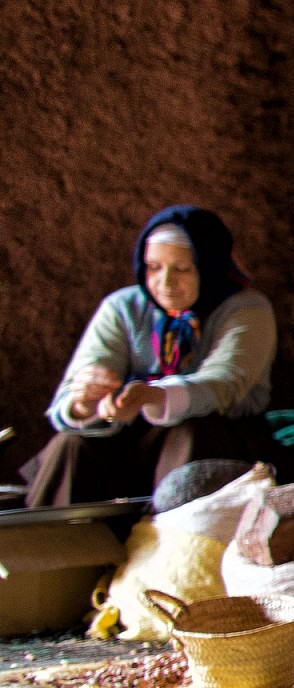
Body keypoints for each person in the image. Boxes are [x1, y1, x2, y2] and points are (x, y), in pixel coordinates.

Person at [22, 206, 280, 506]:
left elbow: (224, 384)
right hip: (129, 444)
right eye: (154, 267)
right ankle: (55, 535)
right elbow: (74, 392)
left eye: (182, 269)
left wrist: (153, 396)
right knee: (72, 444)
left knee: (193, 431)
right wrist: (86, 404)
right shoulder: (123, 308)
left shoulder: (246, 309)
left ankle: (174, 533)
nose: (165, 283)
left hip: (215, 444)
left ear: (209, 266)